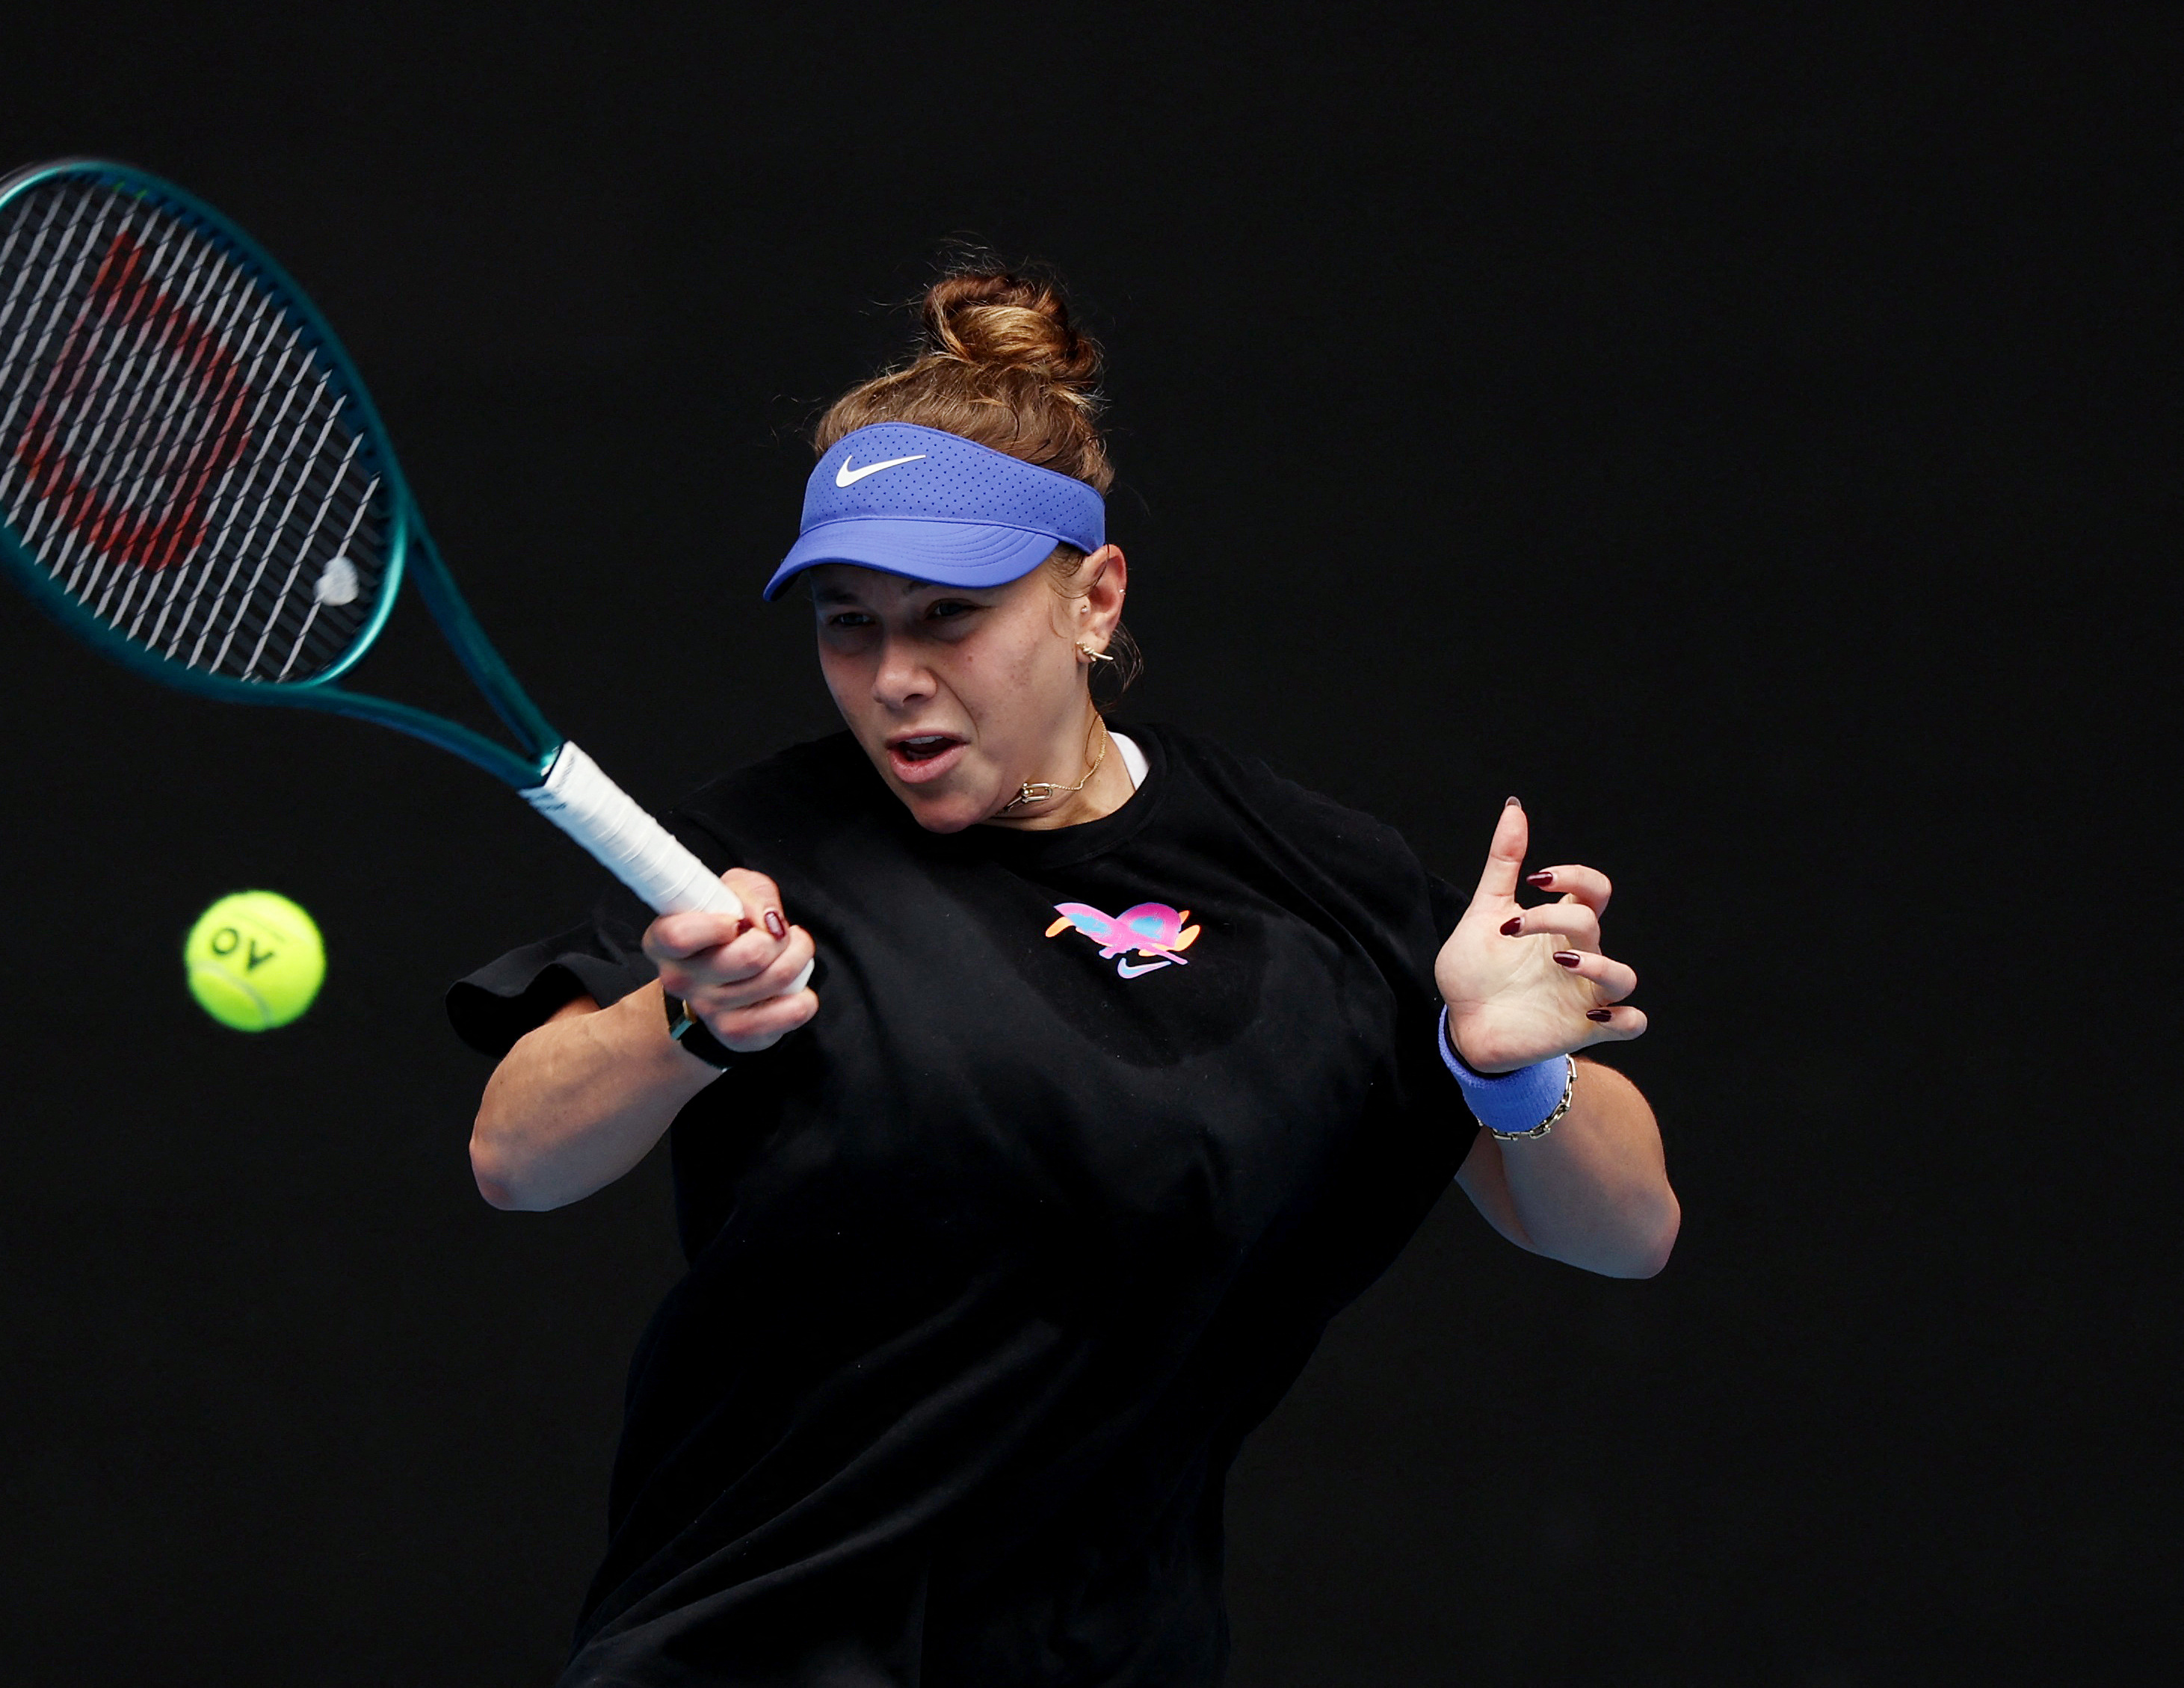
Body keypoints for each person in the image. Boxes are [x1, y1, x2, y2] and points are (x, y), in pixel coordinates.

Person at [449, 262, 1679, 1686]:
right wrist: (687, 1021)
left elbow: (1623, 1230)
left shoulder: (1311, 878)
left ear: (1093, 599)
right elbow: (515, 1155)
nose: (893, 675)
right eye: (848, 621)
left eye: (947, 615)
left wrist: (1506, 1070)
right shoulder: (748, 860)